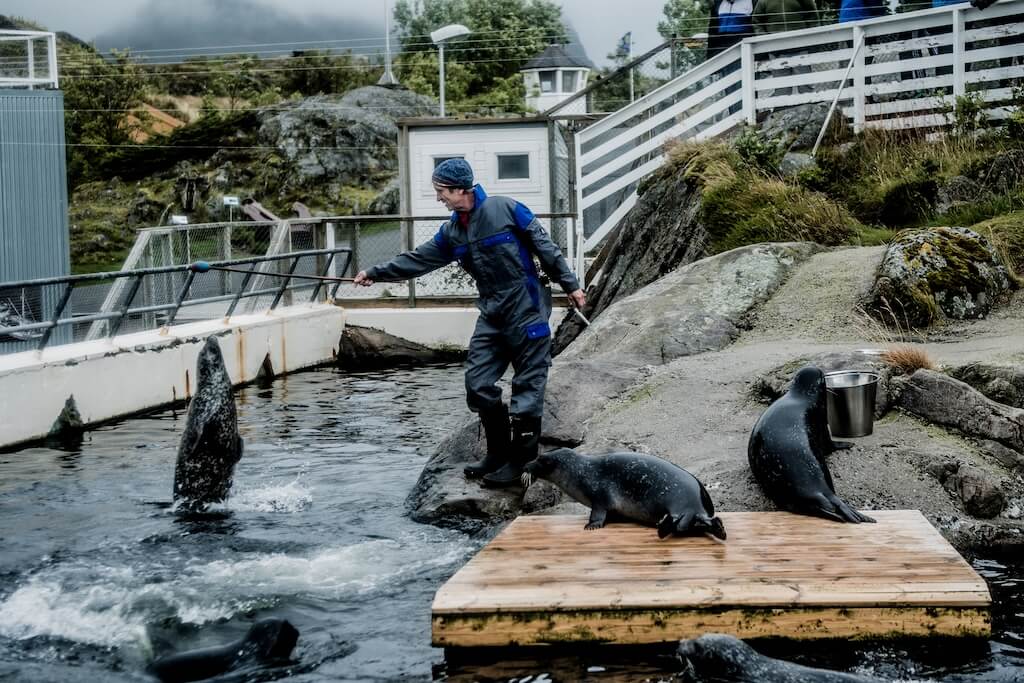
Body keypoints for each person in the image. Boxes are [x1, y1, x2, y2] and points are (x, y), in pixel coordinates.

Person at [353, 159, 586, 488]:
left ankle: (522, 463)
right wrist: (375, 273)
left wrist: (572, 286)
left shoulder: (506, 209)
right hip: (492, 313)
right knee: (477, 385)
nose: (439, 198)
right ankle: (498, 452)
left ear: (462, 189)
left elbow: (545, 248)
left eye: (442, 192)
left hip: (526, 307)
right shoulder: (452, 231)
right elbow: (418, 259)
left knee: (526, 388)